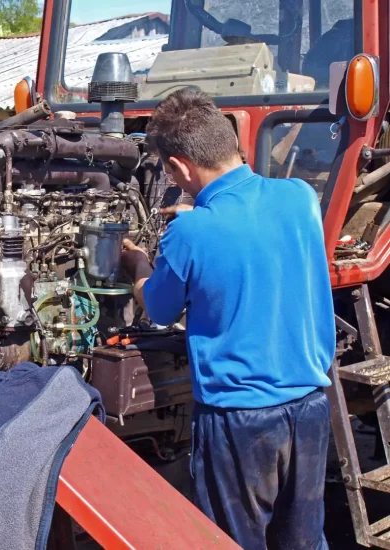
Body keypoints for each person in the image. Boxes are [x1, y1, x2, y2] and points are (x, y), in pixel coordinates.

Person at [121, 89, 335, 550]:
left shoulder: (190, 232)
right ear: (231, 141)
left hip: (241, 421)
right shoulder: (300, 197)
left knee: (231, 542)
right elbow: (251, 231)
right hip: (312, 407)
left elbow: (157, 309)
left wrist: (139, 264)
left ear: (178, 167)